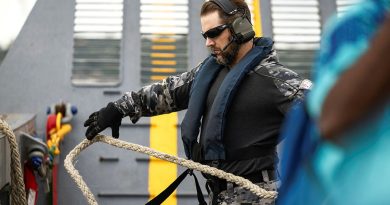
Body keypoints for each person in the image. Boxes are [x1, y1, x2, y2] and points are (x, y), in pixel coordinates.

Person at [84, 0, 311, 204]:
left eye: (214, 33)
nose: (208, 43)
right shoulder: (209, 72)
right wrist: (119, 108)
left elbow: (327, 114)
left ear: (241, 28)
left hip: (258, 196)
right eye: (205, 36)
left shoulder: (277, 80)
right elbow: (167, 92)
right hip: (217, 195)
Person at [278, 1, 390, 204]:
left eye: (215, 33)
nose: (209, 42)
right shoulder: (362, 23)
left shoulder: (271, 77)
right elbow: (330, 118)